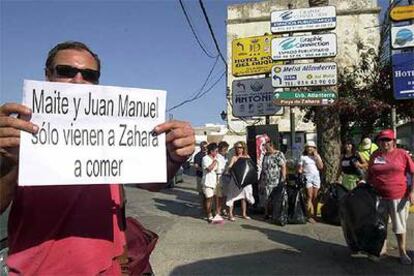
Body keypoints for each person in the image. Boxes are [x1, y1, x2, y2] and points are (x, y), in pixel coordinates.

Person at [0, 41, 195, 274]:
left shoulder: (111, 131)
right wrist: (10, 161)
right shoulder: (20, 132)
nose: (78, 80)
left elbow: (150, 184)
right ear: (47, 75)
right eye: (66, 71)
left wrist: (174, 158)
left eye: (89, 75)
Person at [367, 129, 414, 265]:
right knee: (380, 226)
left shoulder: (402, 154)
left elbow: (412, 172)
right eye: (382, 140)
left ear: (393, 142)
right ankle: (382, 250)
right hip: (378, 196)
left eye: (388, 140)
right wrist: (364, 183)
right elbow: (370, 174)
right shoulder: (375, 155)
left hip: (398, 196)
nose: (384, 143)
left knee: (399, 227)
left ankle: (402, 252)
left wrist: (412, 192)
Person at [225, 141, 255, 221]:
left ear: (244, 148)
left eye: (240, 147)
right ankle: (230, 214)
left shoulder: (247, 156)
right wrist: (229, 169)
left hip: (245, 181)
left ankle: (244, 213)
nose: (239, 149)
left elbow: (251, 167)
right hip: (235, 181)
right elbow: (230, 167)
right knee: (231, 196)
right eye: (237, 147)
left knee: (244, 197)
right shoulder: (234, 157)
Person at [258, 140, 287, 220]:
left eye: (266, 146)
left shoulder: (278, 154)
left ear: (271, 146)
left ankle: (275, 213)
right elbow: (263, 167)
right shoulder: (266, 155)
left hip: (275, 179)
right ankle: (266, 213)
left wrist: (283, 178)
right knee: (266, 197)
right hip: (265, 180)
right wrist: (260, 178)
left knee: (274, 197)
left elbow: (283, 166)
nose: (265, 148)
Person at [297, 141, 323, 223]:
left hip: (316, 177)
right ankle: (309, 216)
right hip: (307, 176)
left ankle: (315, 214)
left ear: (314, 148)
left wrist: (316, 157)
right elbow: (300, 168)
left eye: (311, 147)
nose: (310, 148)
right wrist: (299, 171)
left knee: (315, 197)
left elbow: (321, 167)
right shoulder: (303, 157)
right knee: (309, 196)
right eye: (308, 147)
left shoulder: (316, 156)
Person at [201, 143, 223, 223]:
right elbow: (209, 169)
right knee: (209, 198)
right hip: (207, 181)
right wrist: (215, 161)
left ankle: (216, 213)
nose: (217, 153)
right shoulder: (205, 158)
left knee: (216, 198)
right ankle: (209, 214)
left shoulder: (217, 158)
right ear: (211, 151)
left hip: (215, 181)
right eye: (216, 151)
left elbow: (218, 170)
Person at [194, 141, 208, 217]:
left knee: (208, 193)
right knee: (201, 193)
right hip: (200, 176)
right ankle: (203, 208)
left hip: (208, 177)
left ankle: (208, 208)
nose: (205, 148)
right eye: (203, 146)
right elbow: (196, 166)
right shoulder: (197, 155)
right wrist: (204, 170)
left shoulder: (210, 154)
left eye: (206, 146)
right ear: (201, 147)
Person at [216, 141, 230, 217]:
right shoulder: (217, 156)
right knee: (219, 195)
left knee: (225, 195)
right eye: (224, 149)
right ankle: (218, 211)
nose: (225, 151)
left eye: (226, 149)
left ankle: (223, 209)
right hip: (219, 176)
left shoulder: (226, 156)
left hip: (226, 177)